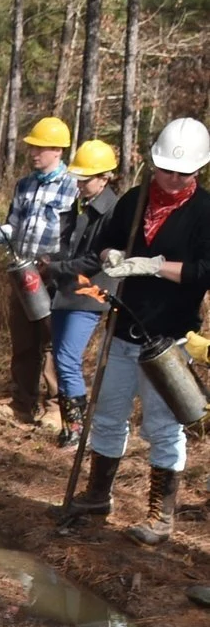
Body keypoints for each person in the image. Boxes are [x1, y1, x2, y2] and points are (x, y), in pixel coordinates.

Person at [64, 117, 210, 544]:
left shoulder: (204, 212)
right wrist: (112, 256)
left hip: (170, 337)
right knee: (108, 415)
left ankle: (160, 515)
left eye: (182, 173)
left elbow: (205, 271)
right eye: (166, 169)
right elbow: (104, 242)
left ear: (198, 170)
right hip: (123, 325)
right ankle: (97, 494)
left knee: (163, 426)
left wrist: (155, 266)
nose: (172, 179)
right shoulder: (135, 199)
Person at [0, 116, 79, 423]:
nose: (34, 153)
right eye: (32, 147)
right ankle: (22, 404)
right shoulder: (24, 185)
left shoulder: (73, 186)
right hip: (23, 274)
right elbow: (14, 228)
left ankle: (55, 409)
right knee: (23, 341)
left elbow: (76, 236)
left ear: (58, 150)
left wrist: (58, 264)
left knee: (52, 342)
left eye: (40, 148)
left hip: (55, 276)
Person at [39, 139, 119, 448]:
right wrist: (53, 260)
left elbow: (94, 260)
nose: (80, 184)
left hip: (88, 295)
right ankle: (69, 426)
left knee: (68, 359)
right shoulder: (80, 204)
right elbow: (70, 247)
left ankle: (76, 428)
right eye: (78, 179)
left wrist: (55, 268)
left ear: (104, 178)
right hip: (65, 291)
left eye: (86, 179)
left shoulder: (112, 212)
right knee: (61, 359)